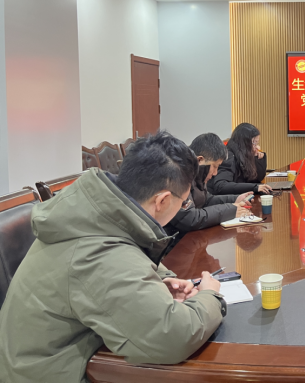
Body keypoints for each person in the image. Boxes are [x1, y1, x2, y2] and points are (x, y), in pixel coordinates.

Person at [0, 131, 227, 383]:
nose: (183, 208)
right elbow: (172, 337)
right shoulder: (98, 251)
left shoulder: (90, 214)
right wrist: (210, 296)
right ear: (162, 200)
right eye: (183, 203)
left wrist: (157, 282)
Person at [164, 132, 254, 243]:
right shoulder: (178, 175)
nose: (215, 173)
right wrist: (232, 210)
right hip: (174, 244)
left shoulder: (196, 174)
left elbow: (206, 200)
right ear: (200, 160)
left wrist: (235, 199)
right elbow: (190, 218)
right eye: (215, 166)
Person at [208, 123, 271, 196]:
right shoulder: (228, 156)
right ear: (245, 143)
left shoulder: (243, 156)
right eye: (254, 143)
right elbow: (221, 186)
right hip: (224, 200)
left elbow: (256, 179)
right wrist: (254, 187)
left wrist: (257, 159)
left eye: (257, 143)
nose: (257, 147)